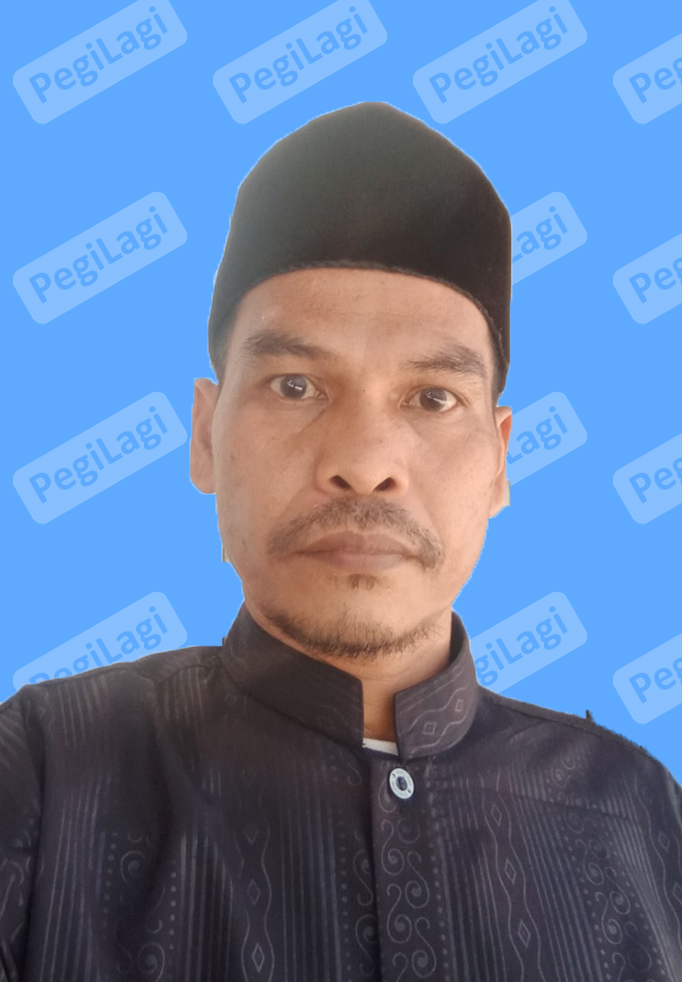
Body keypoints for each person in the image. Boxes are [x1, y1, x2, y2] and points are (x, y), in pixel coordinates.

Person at [1, 102, 681, 982]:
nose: (364, 464)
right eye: (295, 385)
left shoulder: (640, 816)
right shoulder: (43, 775)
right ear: (204, 435)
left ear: (500, 460)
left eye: (433, 398)